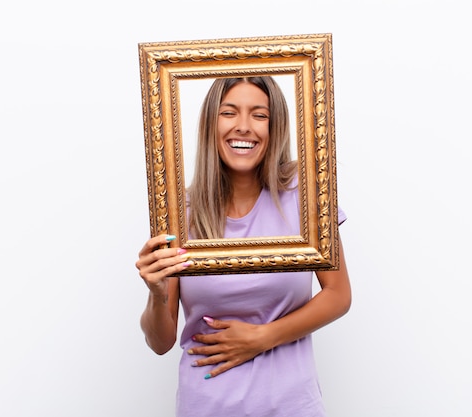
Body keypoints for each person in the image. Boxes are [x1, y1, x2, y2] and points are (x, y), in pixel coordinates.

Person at [136, 76, 351, 417]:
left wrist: (263, 337)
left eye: (259, 115)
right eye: (229, 112)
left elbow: (339, 295)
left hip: (292, 406)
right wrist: (156, 291)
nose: (244, 127)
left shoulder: (304, 194)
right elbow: (160, 342)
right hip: (207, 406)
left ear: (275, 124)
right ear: (211, 122)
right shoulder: (180, 213)